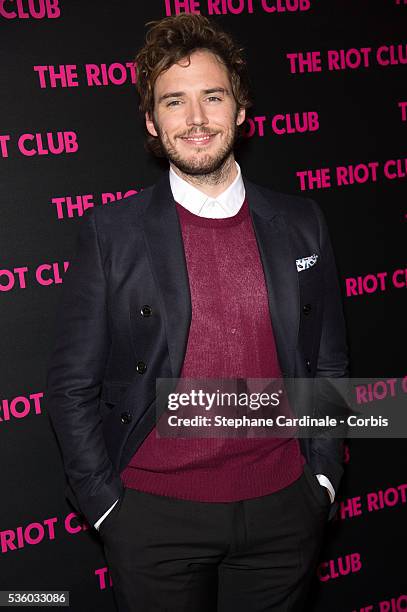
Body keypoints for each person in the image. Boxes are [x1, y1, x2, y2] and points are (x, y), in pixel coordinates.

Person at [45, 12, 349, 612]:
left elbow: (330, 364)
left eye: (212, 96)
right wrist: (108, 507)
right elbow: (70, 386)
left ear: (239, 110)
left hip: (285, 507)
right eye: (173, 102)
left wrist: (321, 480)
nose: (196, 119)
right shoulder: (113, 232)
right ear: (153, 124)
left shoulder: (301, 222)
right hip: (154, 519)